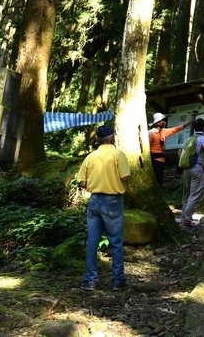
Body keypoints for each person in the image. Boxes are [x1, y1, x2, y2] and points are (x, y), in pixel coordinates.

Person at [77, 125, 131, 291]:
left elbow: (82, 182)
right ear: (112, 137)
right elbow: (125, 176)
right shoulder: (118, 154)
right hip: (113, 201)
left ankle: (90, 280)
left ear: (99, 139)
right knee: (115, 241)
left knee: (92, 241)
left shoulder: (90, 157)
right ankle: (117, 280)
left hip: (94, 201)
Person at [179, 118, 204, 228]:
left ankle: (184, 217)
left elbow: (180, 152)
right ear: (203, 127)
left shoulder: (190, 139)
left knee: (187, 194)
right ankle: (186, 219)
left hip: (186, 169)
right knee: (196, 194)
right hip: (197, 169)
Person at [148, 112, 191, 186]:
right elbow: (147, 148)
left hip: (161, 160)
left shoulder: (163, 131)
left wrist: (188, 123)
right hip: (154, 161)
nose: (165, 122)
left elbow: (174, 129)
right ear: (158, 123)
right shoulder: (151, 133)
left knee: (159, 180)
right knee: (155, 180)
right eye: (163, 121)